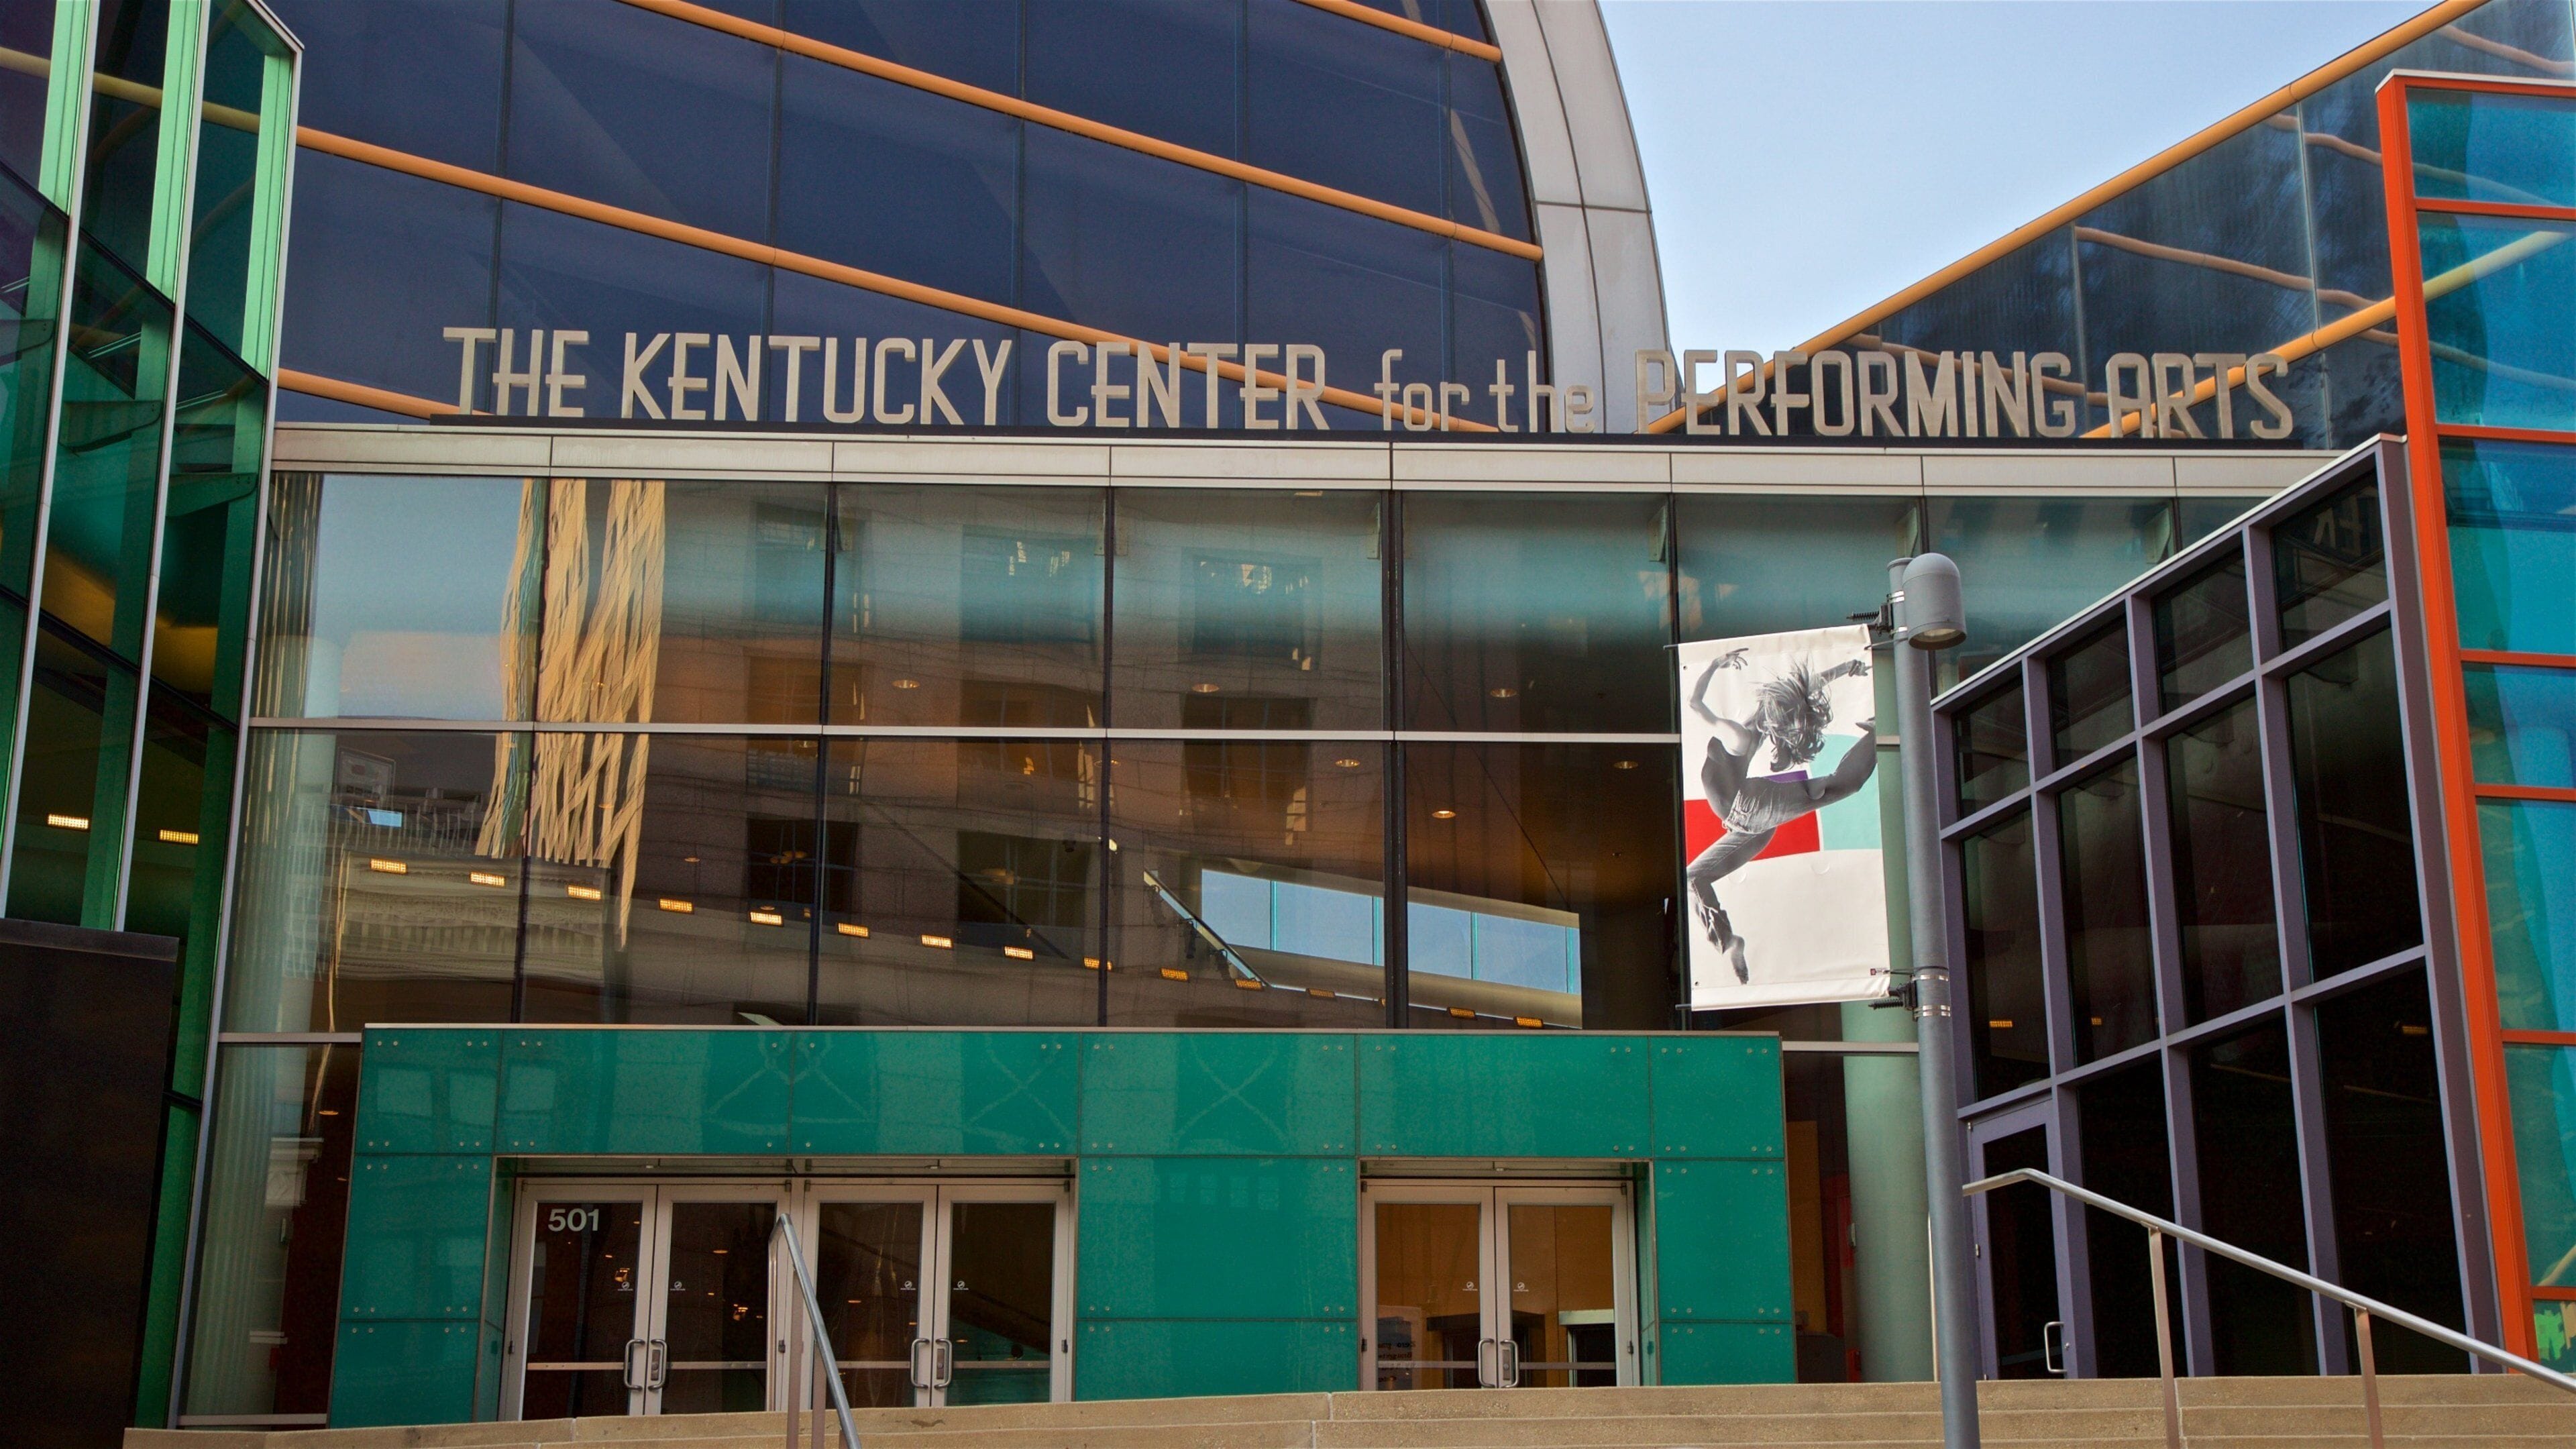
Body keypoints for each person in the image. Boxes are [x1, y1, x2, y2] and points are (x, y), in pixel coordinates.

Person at [1685, 649, 1877, 983]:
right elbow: (1804, 688)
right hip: (1745, 826)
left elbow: (1696, 704)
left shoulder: (1738, 736)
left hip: (1751, 808)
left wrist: (1715, 665)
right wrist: (1845, 668)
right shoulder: (1756, 721)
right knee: (1692, 878)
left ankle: (1877, 735)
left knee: (1832, 788)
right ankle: (1728, 941)